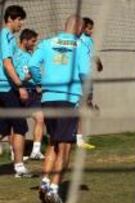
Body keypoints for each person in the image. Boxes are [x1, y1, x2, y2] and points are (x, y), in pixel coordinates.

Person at [29, 15, 91, 202]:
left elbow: (32, 64)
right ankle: (54, 189)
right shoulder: (81, 46)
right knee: (65, 147)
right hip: (68, 99)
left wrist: (40, 82)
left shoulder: (47, 43)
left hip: (48, 98)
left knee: (54, 142)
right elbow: (84, 74)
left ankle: (45, 182)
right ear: (79, 29)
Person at [0, 5, 33, 177]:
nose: (21, 23)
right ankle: (19, 167)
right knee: (20, 127)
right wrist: (20, 86)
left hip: (5, 87)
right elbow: (6, 64)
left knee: (4, 128)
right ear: (10, 19)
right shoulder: (5, 35)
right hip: (6, 88)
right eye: (19, 19)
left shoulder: (10, 37)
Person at [13, 28, 45, 160]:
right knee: (16, 126)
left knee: (40, 118)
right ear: (24, 40)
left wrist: (38, 84)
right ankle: (15, 154)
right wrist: (28, 76)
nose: (34, 44)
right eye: (32, 41)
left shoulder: (31, 54)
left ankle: (36, 151)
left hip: (33, 93)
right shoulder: (16, 55)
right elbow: (17, 77)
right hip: (20, 92)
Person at [76, 16, 103, 149]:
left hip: (87, 75)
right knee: (79, 106)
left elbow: (93, 54)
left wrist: (98, 63)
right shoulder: (76, 40)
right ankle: (78, 138)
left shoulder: (89, 40)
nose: (91, 31)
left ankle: (78, 137)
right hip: (79, 76)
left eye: (92, 29)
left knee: (83, 104)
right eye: (89, 28)